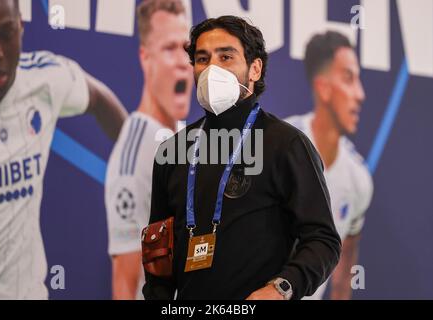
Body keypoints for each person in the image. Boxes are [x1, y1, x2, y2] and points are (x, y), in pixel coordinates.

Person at [143, 15, 341, 300]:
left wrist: (281, 289)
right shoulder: (172, 151)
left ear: (255, 69)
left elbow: (323, 241)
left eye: (226, 57)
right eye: (202, 59)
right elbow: (158, 253)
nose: (212, 70)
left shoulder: (286, 144)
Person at [0, 0, 127, 299]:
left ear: (21, 30)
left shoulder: (45, 78)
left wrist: (134, 168)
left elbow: (100, 99)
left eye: (6, 34)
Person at [104, 0, 193, 300]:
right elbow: (125, 286)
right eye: (170, 48)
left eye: (187, 48)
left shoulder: (183, 138)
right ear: (146, 58)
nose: (184, 61)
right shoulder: (135, 156)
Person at [285, 31, 373, 300]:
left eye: (359, 80)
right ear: (323, 88)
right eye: (349, 78)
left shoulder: (358, 180)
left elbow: (344, 272)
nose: (360, 94)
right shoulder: (276, 146)